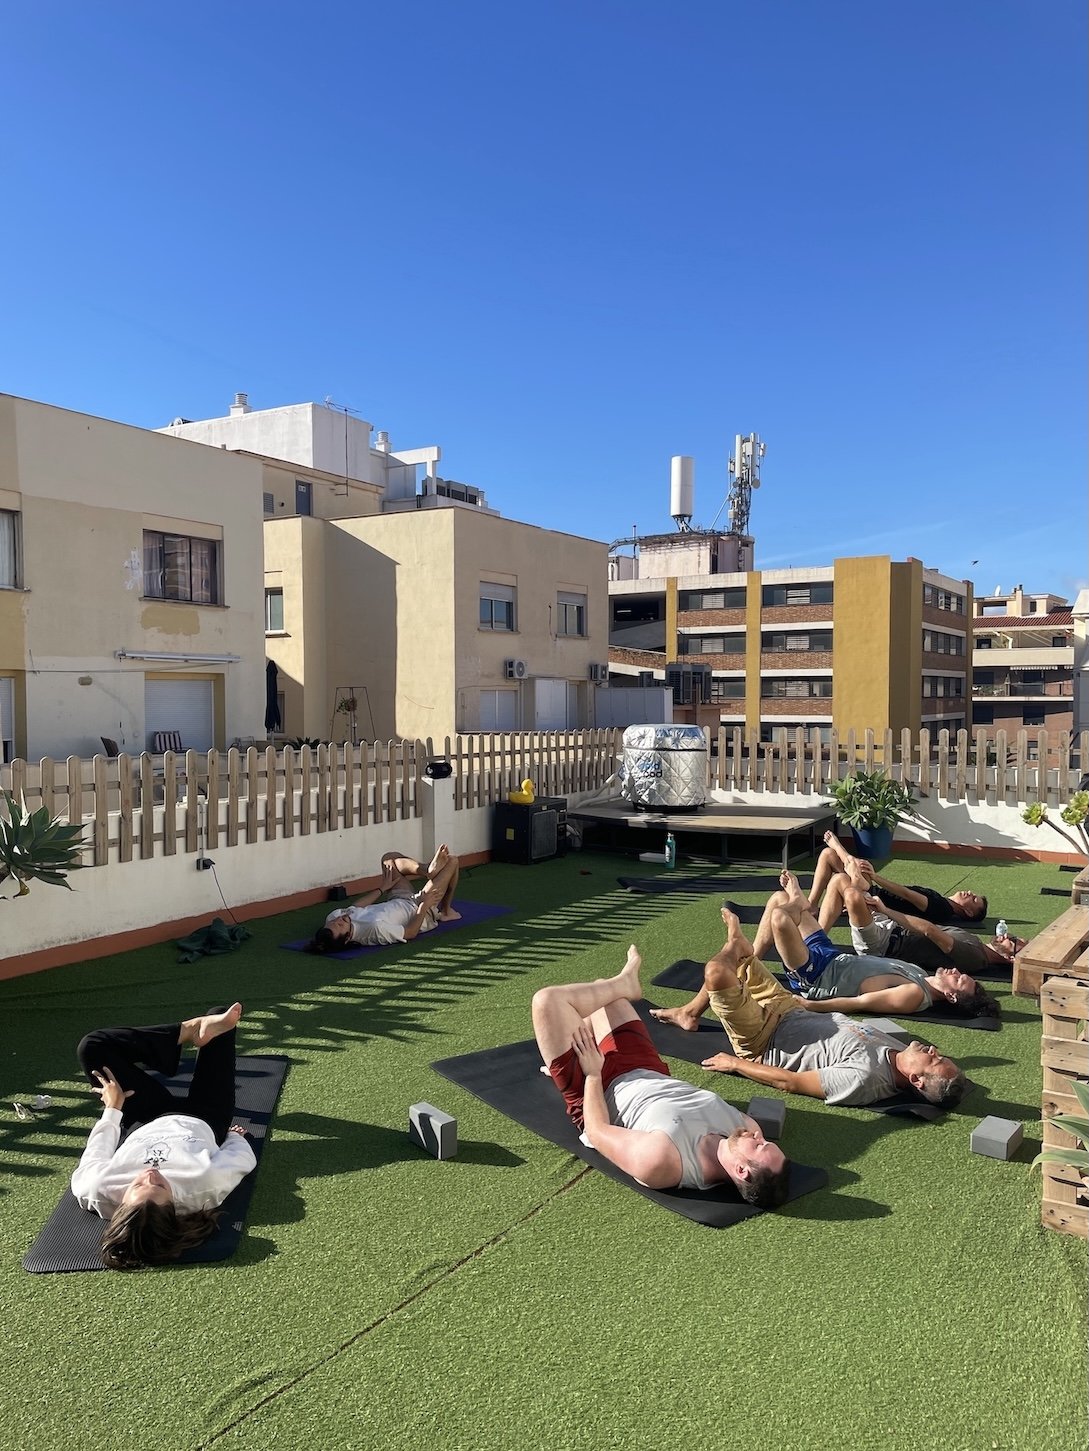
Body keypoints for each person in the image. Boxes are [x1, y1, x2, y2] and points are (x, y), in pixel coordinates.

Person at [532, 945, 791, 1207]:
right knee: (605, 994)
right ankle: (591, 1017)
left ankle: (572, 1042)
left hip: (600, 1085)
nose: (759, 1136)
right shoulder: (746, 1129)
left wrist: (591, 1074)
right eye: (765, 1140)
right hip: (646, 1067)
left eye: (759, 1146)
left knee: (547, 1001)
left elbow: (597, 1132)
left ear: (741, 1171)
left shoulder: (663, 1162)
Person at [652, 904, 967, 1109]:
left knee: (718, 972)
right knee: (743, 960)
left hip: (762, 1037)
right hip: (790, 1009)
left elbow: (790, 1082)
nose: (933, 1050)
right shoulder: (898, 1052)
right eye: (939, 1055)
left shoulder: (865, 1079)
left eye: (934, 1060)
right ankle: (694, 1007)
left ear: (916, 1080)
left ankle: (735, 944)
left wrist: (736, 1064)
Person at [72, 1002, 255, 1271]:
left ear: (121, 1204)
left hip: (148, 1116)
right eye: (159, 1188)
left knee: (93, 1047)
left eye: (137, 1186)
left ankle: (187, 1031)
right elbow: (242, 1158)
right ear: (174, 1206)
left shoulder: (96, 1188)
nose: (150, 1175)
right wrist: (234, 1137)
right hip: (206, 1117)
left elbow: (96, 1151)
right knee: (219, 1018)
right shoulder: (204, 1186)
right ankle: (206, 1027)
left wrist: (113, 1108)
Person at [821, 857, 1023, 976]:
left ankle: (815, 941)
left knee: (852, 894)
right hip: (892, 927)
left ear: (1010, 958)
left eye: (1012, 941)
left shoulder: (976, 958)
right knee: (840, 879)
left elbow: (930, 930)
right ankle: (817, 941)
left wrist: (885, 910)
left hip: (883, 946)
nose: (1007, 936)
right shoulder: (976, 943)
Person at [808, 830, 988, 924]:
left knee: (853, 864)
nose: (970, 892)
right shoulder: (942, 901)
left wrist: (875, 877)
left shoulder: (941, 908)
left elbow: (906, 894)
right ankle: (811, 906)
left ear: (969, 912)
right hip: (871, 890)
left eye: (973, 899)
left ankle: (842, 851)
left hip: (873, 899)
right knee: (827, 854)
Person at [307, 844, 461, 953]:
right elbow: (410, 933)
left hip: (397, 898)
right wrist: (424, 906)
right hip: (420, 908)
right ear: (347, 939)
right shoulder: (374, 931)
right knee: (452, 861)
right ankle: (446, 911)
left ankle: (427, 870)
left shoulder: (333, 918)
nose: (338, 920)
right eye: (340, 926)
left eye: (334, 923)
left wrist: (383, 888)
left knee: (388, 859)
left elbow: (356, 907)